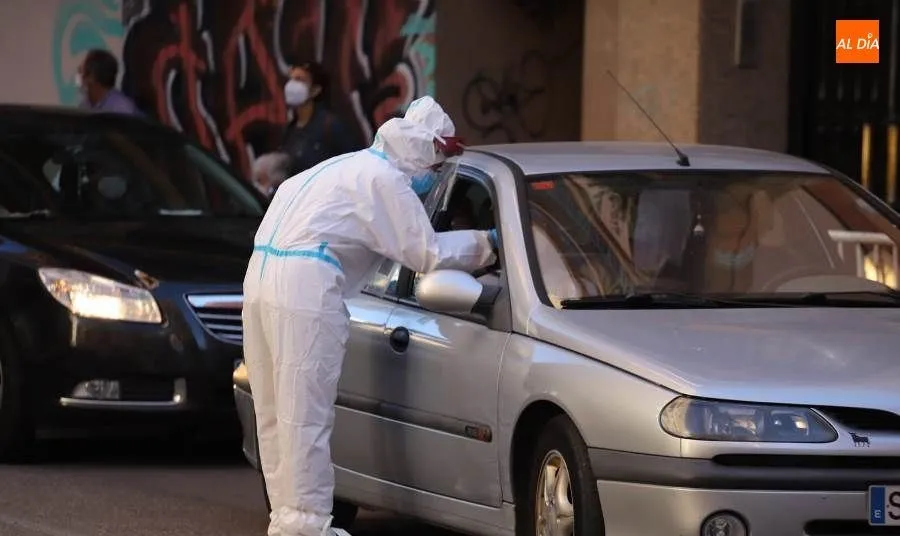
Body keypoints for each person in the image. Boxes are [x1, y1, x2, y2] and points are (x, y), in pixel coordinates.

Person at [242, 96, 498, 536]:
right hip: (305, 285)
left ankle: (288, 522)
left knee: (274, 411)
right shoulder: (383, 180)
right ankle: (308, 528)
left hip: (260, 277)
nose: (433, 179)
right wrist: (490, 242)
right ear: (423, 150)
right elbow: (427, 253)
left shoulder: (338, 168)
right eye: (436, 167)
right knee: (305, 413)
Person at [280, 61, 360, 177]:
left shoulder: (330, 126)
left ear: (315, 90)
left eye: (299, 80)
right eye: (291, 79)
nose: (292, 85)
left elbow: (355, 164)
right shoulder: (290, 130)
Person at [76, 49, 141, 115]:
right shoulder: (84, 106)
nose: (77, 77)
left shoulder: (121, 109)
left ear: (92, 77)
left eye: (80, 71)